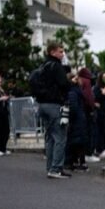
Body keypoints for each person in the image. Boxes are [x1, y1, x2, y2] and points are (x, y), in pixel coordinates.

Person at [33, 42, 73, 178]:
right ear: (52, 52)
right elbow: (63, 84)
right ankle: (56, 169)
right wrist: (71, 82)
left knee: (50, 138)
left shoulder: (43, 66)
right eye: (60, 51)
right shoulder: (56, 66)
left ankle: (50, 167)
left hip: (42, 105)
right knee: (60, 137)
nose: (63, 54)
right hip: (54, 105)